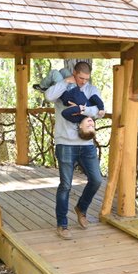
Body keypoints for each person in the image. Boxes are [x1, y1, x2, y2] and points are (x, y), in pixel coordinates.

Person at [44, 62, 104, 240]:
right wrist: (66, 82)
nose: (83, 82)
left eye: (86, 79)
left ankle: (81, 208)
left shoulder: (92, 89)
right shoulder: (64, 88)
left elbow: (99, 111)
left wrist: (82, 109)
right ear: (74, 74)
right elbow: (49, 95)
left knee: (96, 180)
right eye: (80, 78)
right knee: (66, 185)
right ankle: (62, 225)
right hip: (65, 143)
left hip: (86, 144)